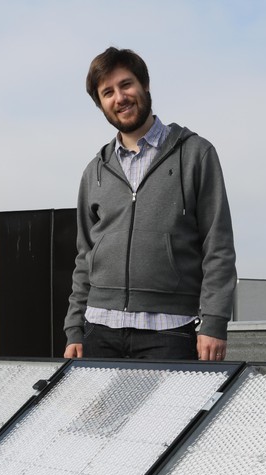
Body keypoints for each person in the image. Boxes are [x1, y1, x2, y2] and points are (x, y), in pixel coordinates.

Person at [64, 47, 237, 361]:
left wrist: (214, 321)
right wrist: (74, 327)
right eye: (108, 92)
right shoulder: (95, 170)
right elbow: (85, 255)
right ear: (101, 104)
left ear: (145, 85)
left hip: (169, 331)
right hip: (99, 329)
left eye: (126, 85)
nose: (120, 97)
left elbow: (218, 245)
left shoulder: (196, 154)